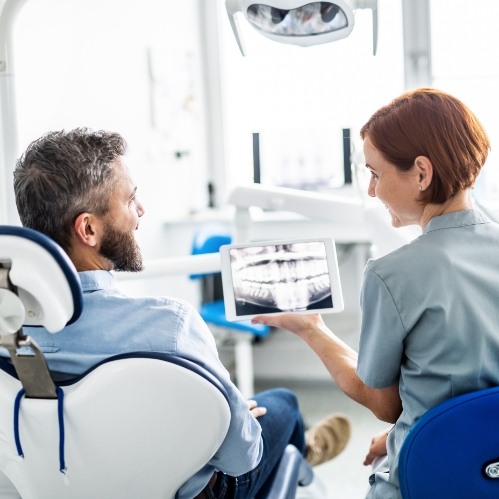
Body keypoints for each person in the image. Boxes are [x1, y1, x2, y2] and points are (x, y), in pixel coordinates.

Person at [5, 128, 351, 499]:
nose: (141, 209)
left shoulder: (7, 331)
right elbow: (241, 458)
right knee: (282, 405)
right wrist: (236, 419)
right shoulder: (170, 327)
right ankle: (303, 450)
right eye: (130, 198)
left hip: (61, 484)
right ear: (88, 228)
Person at [252, 87, 499, 498]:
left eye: (375, 174)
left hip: (433, 475)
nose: (370, 191)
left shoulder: (392, 275)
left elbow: (386, 405)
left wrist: (313, 328)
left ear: (421, 173)